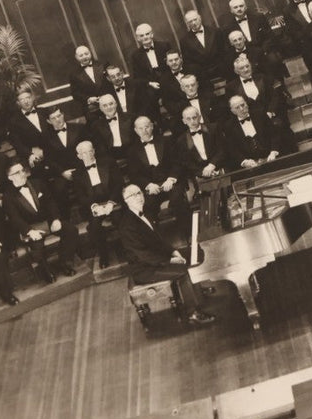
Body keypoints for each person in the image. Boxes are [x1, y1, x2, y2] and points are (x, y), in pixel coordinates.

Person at [118, 183, 216, 326]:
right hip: (144, 269)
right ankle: (193, 312)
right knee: (182, 270)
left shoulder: (146, 213)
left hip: (156, 259)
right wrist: (170, 260)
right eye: (133, 195)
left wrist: (173, 252)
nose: (138, 197)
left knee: (195, 252)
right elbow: (143, 255)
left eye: (139, 193)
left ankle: (197, 290)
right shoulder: (126, 225)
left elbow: (160, 241)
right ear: (126, 201)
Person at [1, 161, 78, 282]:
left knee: (71, 230)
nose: (22, 174)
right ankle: (46, 271)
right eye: (17, 172)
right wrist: (30, 231)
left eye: (23, 170)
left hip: (47, 221)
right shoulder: (7, 196)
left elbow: (50, 202)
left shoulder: (37, 183)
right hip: (29, 227)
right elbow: (15, 219)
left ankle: (64, 262)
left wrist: (56, 219)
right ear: (10, 177)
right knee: (37, 247)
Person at [70, 140, 124, 267]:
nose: (88, 155)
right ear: (79, 156)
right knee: (94, 227)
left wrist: (111, 203)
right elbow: (81, 196)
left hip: (113, 201)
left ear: (94, 151)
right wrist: (94, 206)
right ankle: (103, 255)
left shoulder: (108, 162)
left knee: (119, 219)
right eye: (84, 153)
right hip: (94, 205)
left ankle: (128, 248)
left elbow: (118, 183)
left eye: (90, 151)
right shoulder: (77, 174)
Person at [127, 115, 186, 219]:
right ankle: (156, 234)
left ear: (152, 126)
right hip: (151, 187)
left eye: (147, 127)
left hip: (170, 182)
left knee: (178, 200)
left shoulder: (166, 141)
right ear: (136, 130)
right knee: (147, 207)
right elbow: (134, 175)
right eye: (140, 128)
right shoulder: (132, 151)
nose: (144, 131)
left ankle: (186, 232)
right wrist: (148, 185)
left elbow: (177, 163)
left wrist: (171, 179)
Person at [221, 95, 286, 167]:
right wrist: (244, 161)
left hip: (271, 158)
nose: (242, 109)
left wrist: (273, 152)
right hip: (250, 166)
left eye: (243, 105)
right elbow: (232, 148)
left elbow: (274, 134)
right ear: (233, 111)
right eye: (237, 107)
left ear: (246, 104)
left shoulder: (260, 114)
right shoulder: (229, 126)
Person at [179, 9, 223, 83]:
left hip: (221, 71)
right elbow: (188, 63)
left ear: (200, 18)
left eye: (195, 19)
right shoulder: (184, 41)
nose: (193, 23)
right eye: (190, 21)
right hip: (202, 78)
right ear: (187, 23)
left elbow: (223, 52)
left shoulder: (215, 31)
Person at [127, 23, 174, 88]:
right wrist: (149, 83)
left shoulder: (165, 46)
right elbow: (136, 77)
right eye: (141, 36)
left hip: (170, 82)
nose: (145, 37)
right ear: (138, 38)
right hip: (150, 88)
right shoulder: (135, 56)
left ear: (152, 34)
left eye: (147, 34)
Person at [67, 44, 107, 114]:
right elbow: (75, 93)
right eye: (81, 55)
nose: (84, 57)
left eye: (86, 54)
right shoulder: (74, 74)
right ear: (76, 57)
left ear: (90, 53)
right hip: (91, 109)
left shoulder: (102, 65)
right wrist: (88, 99)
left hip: (108, 103)